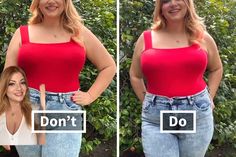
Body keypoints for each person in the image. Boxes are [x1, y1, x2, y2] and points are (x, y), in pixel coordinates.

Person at [4, 0, 116, 156]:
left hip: (65, 111)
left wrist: (90, 95)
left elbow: (108, 66)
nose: (51, 1)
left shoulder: (79, 33)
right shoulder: (22, 33)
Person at [129, 0, 223, 157]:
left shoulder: (203, 38)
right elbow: (135, 75)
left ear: (187, 3)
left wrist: (209, 97)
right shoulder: (146, 39)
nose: (172, 4)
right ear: (160, 8)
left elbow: (217, 68)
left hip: (196, 115)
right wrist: (147, 101)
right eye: (166, 1)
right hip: (156, 119)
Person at [0, 66, 45, 146]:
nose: (19, 88)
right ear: (4, 88)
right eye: (12, 84)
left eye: (22, 82)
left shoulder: (35, 111)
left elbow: (43, 143)